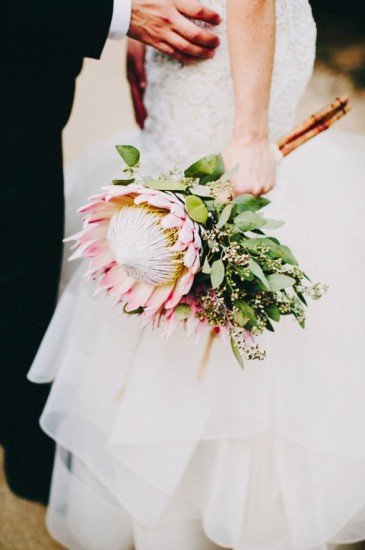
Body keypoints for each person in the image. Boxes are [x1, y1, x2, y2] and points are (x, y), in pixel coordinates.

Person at [28, 0, 365, 548]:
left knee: (227, 234)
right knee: (164, 236)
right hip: (184, 36)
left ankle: (227, 499)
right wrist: (137, 23)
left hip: (234, 41)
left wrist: (253, 133)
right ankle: (167, 491)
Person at [0, 1, 221, 505]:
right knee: (19, 271)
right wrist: (117, 15)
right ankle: (30, 453)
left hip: (28, 89)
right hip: (13, 95)